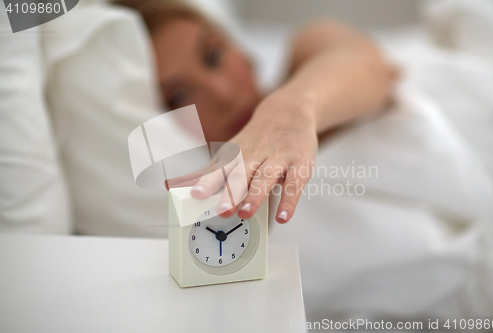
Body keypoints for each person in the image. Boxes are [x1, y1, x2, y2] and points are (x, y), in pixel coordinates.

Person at [114, 0, 397, 224]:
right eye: (178, 97)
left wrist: (292, 111)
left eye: (213, 56)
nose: (222, 94)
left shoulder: (307, 54)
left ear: (238, 49)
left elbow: (373, 67)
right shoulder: (217, 210)